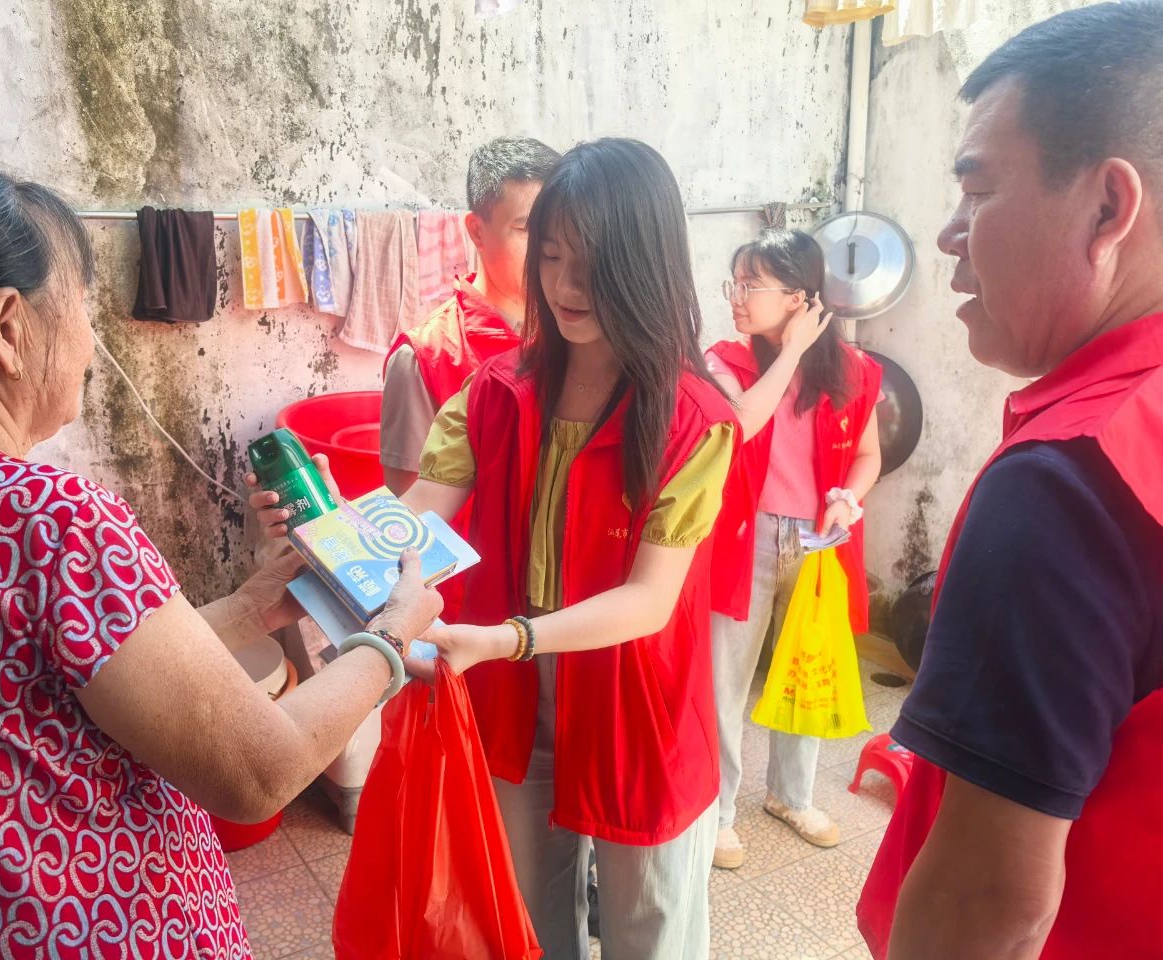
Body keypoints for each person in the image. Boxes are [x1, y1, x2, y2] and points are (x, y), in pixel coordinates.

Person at [0, 152, 444, 958]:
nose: (88, 341)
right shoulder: (46, 518)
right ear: (8, 328)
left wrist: (251, 606)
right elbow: (259, 772)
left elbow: (60, 681)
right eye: (80, 304)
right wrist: (392, 631)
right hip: (93, 928)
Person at [259, 138, 736, 959]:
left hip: (637, 701)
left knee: (651, 926)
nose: (566, 286)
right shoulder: (495, 391)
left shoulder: (694, 419)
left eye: (592, 263)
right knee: (524, 915)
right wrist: (328, 530)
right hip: (513, 691)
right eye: (551, 256)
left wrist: (505, 639)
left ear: (646, 263)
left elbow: (649, 600)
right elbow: (415, 520)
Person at [856, 5, 1163, 958]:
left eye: (977, 190)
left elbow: (990, 899)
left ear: (1108, 209)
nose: (949, 234)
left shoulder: (1067, 484)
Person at [704, 229, 881, 867]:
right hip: (742, 540)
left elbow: (868, 455)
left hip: (817, 542)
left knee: (806, 670)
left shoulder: (854, 371)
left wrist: (847, 498)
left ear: (799, 298)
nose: (736, 297)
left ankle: (790, 795)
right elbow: (739, 423)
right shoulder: (724, 360)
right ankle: (718, 813)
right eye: (734, 283)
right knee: (725, 682)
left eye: (751, 285)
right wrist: (793, 350)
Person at [379, 136, 560, 495]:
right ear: (477, 231)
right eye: (526, 229)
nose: (548, 249)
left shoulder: (576, 332)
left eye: (557, 230)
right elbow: (409, 511)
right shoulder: (424, 357)